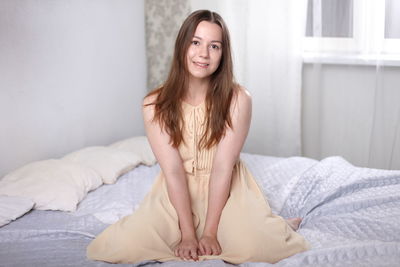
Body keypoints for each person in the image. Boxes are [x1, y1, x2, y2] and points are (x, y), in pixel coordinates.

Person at [87, 9, 309, 264]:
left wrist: (211, 233)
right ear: (183, 46)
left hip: (227, 188)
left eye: (214, 46)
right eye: (195, 42)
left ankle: (275, 225)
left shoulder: (238, 99)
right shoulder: (153, 104)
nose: (203, 54)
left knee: (255, 245)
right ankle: (252, 224)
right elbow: (172, 170)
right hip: (175, 191)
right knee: (123, 247)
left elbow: (223, 167)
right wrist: (189, 235)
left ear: (223, 54)